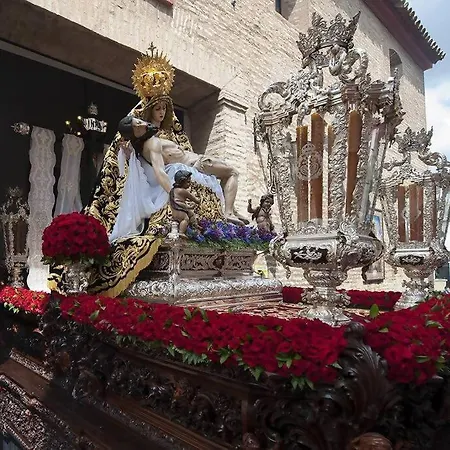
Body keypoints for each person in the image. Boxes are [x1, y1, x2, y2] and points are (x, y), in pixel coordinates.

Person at [169, 170, 200, 236]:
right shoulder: (183, 191)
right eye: (188, 182)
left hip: (174, 210)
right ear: (181, 182)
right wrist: (198, 200)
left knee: (191, 214)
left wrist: (188, 207)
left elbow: (178, 202)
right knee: (185, 219)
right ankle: (181, 232)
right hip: (179, 211)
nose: (190, 183)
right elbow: (193, 198)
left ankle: (195, 225)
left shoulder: (173, 190)